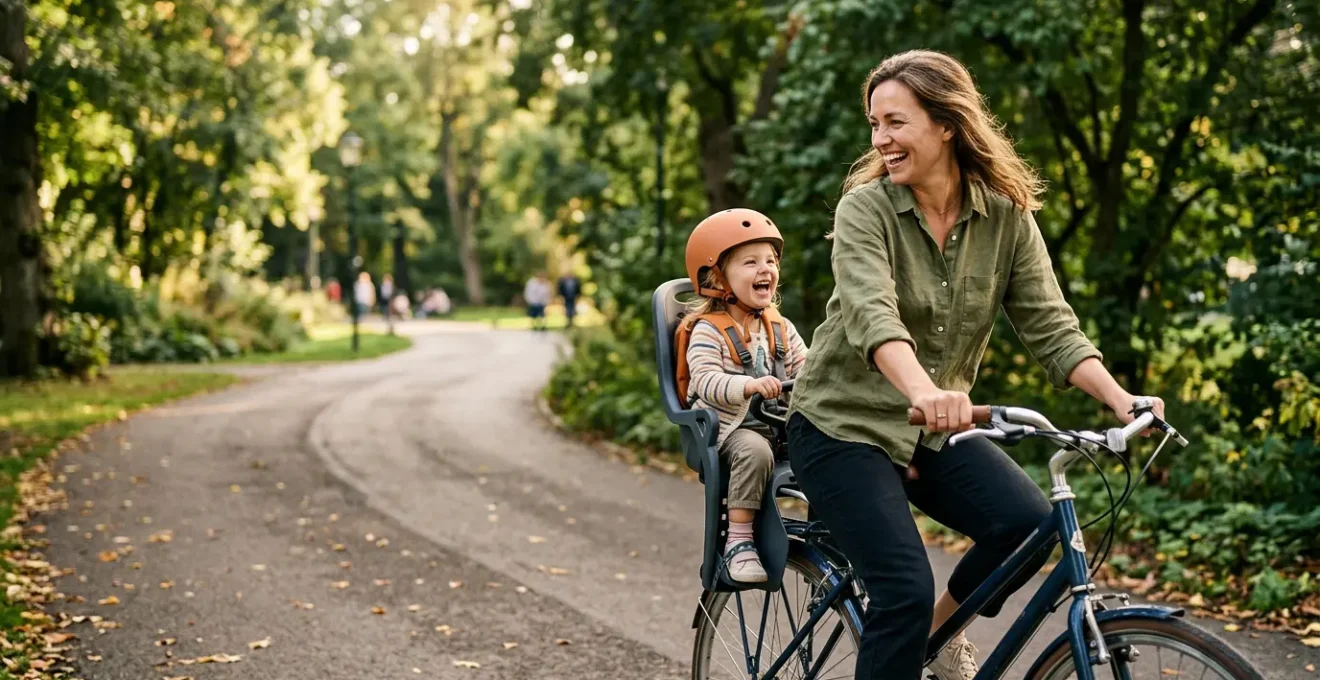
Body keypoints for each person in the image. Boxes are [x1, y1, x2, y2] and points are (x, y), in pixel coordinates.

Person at [785, 50, 1165, 680]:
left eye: (895, 122)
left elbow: (1052, 326)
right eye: (875, 124)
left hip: (932, 430)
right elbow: (874, 318)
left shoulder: (1006, 215)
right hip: (840, 425)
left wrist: (1122, 400)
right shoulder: (865, 210)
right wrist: (924, 391)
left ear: (947, 124)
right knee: (902, 589)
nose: (880, 140)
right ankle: (912, 630)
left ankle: (935, 638)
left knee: (1027, 527)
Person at [682, 209, 808, 583]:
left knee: (834, 442)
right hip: (727, 432)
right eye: (750, 262)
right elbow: (705, 380)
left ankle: (832, 532)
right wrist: (748, 386)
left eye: (770, 260)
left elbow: (807, 369)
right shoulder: (708, 331)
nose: (765, 268)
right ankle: (739, 542)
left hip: (777, 427)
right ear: (717, 278)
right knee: (755, 450)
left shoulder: (780, 328)